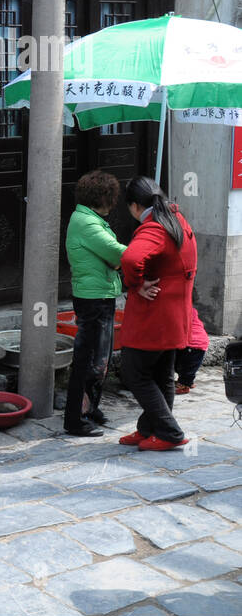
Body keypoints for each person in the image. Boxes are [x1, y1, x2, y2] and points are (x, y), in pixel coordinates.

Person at [118, 176, 197, 452]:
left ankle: (170, 432)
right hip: (175, 315)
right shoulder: (177, 219)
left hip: (154, 317)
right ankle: (149, 429)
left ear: (136, 206)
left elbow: (129, 259)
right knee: (162, 374)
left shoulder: (155, 228)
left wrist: (136, 284)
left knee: (134, 372)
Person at [62, 170, 125, 437]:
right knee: (88, 359)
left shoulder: (90, 219)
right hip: (93, 299)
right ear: (103, 197)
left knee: (101, 359)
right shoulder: (86, 223)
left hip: (101, 295)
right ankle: (74, 418)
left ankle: (90, 408)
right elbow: (116, 252)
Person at [174, 306, 209, 395]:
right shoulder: (191, 310)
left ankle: (184, 386)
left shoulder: (179, 311)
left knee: (185, 366)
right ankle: (188, 382)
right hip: (200, 343)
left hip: (193, 343)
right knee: (189, 366)